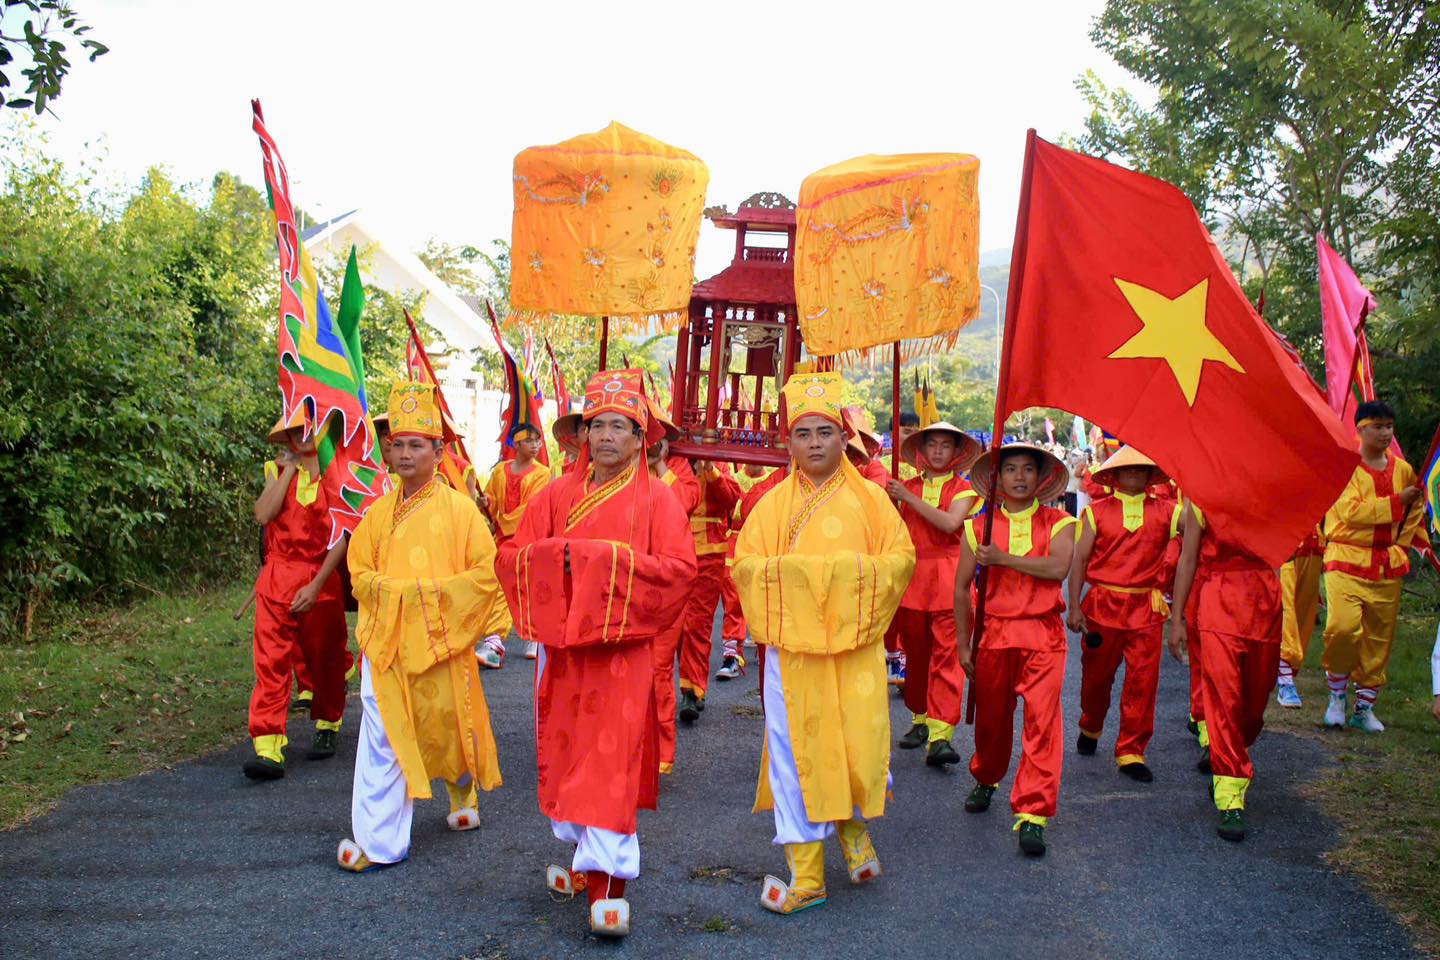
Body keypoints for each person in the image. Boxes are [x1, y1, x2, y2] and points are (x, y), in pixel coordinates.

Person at [496, 370, 696, 938]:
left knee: (610, 759)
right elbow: (513, 555)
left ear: (640, 439)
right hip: (562, 648)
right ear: (583, 436)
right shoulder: (554, 494)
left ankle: (611, 882)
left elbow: (680, 572)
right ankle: (587, 859)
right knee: (567, 750)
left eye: (619, 426)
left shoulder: (657, 500)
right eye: (596, 425)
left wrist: (599, 562)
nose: (606, 435)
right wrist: (563, 559)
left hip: (622, 652)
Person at [733, 370, 915, 915]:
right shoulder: (769, 506)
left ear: (845, 438)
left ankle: (855, 831)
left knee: (859, 748)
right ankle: (807, 874)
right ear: (788, 442)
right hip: (793, 657)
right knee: (797, 757)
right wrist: (814, 580)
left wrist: (837, 575)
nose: (815, 443)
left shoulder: (874, 502)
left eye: (825, 433)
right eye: (804, 433)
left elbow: (900, 560)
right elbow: (745, 567)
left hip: (856, 650)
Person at [336, 382, 505, 871]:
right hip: (386, 645)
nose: (405, 453)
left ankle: (462, 788)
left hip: (439, 643)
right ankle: (379, 842)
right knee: (383, 734)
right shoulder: (377, 513)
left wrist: (427, 602)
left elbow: (483, 574)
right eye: (398, 444)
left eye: (416, 444)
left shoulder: (460, 512)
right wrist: (390, 596)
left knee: (447, 730)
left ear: (439, 450)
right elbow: (359, 570)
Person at [955, 443, 1075, 856]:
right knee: (992, 720)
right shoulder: (977, 526)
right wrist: (962, 643)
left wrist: (1002, 559)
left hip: (1044, 636)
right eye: (1010, 469)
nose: (1019, 477)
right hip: (993, 636)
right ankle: (987, 777)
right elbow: (960, 588)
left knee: (1042, 724)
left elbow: (1058, 568)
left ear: (1042, 479)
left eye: (1027, 469)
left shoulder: (1060, 523)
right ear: (998, 478)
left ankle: (1033, 813)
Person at [244, 408, 350, 780]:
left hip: (320, 577)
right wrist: (288, 469)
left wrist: (318, 582)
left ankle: (328, 723)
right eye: (294, 431)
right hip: (276, 577)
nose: (302, 435)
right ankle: (268, 743)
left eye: (309, 428)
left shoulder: (338, 473)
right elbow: (262, 514)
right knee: (270, 661)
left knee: (325, 659)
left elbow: (343, 535)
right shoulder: (275, 471)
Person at [1168, 493, 1281, 841]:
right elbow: (1187, 561)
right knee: (1224, 696)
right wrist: (1177, 621)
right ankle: (1230, 796)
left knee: (1254, 703)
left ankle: (1229, 750)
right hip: (1218, 601)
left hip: (1265, 601)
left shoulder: (1276, 496)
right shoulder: (1202, 498)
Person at [1067, 446, 1178, 782]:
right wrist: (1073, 605)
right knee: (1096, 679)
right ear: (1114, 475)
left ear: (1150, 476)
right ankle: (1091, 723)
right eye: (1127, 469)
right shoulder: (1095, 512)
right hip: (1103, 605)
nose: (1133, 474)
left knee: (1143, 683)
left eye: (1141, 469)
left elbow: (1206, 525)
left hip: (1146, 607)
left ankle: (1132, 750)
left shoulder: (1170, 511)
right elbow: (1080, 561)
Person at [1319, 401, 1426, 732]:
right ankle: (1337, 695)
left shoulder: (1404, 471)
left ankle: (1364, 706)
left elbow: (1416, 510)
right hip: (1345, 559)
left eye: (1389, 426)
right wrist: (1397, 502)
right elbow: (1352, 512)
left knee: (1380, 637)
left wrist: (1402, 547)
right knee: (1342, 628)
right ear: (1360, 429)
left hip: (1385, 563)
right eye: (1377, 426)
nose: (1385, 433)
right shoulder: (1344, 467)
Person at [884, 422, 981, 767]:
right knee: (918, 653)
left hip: (950, 578)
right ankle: (920, 719)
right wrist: (891, 500)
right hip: (912, 578)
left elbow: (949, 524)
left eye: (946, 446)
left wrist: (905, 497)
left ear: (957, 454)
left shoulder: (965, 489)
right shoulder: (902, 486)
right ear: (921, 452)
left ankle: (941, 734)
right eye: (933, 445)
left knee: (949, 655)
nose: (939, 451)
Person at [475, 424, 551, 669]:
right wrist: (485, 502)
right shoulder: (500, 472)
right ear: (515, 445)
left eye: (537, 440)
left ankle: (533, 635)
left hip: (527, 538)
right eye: (529, 440)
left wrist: (504, 524)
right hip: (503, 539)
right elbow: (493, 501)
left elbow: (531, 508)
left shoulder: (542, 474)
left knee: (527, 586)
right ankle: (495, 641)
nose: (535, 445)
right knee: (499, 585)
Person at [676, 458, 744, 707]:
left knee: (699, 624)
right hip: (674, 549)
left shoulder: (718, 463)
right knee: (675, 626)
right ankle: (684, 684)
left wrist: (709, 469)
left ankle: (692, 692)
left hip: (710, 553)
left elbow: (730, 499)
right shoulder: (671, 461)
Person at [1274, 525, 1325, 707]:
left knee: (1304, 613)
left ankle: (1285, 670)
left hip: (1312, 541)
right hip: (1281, 537)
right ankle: (1285, 677)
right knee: (1285, 606)